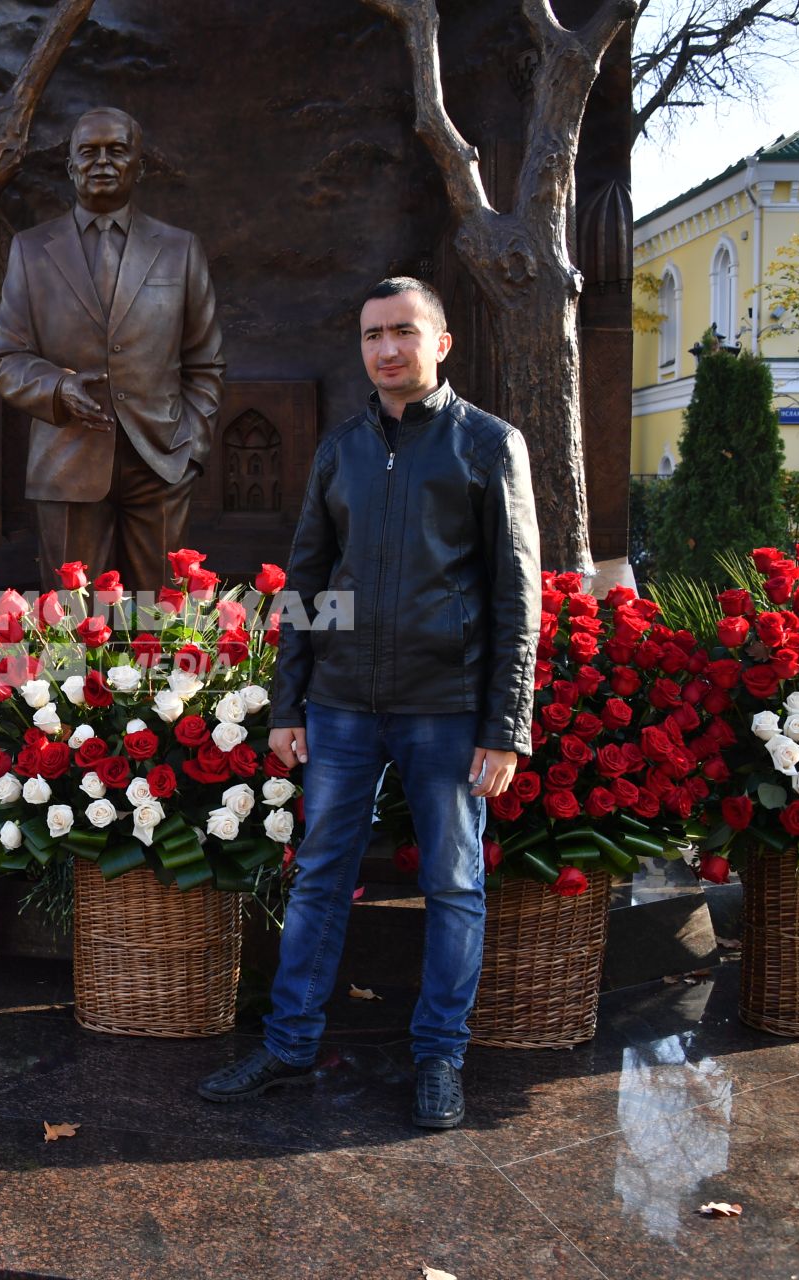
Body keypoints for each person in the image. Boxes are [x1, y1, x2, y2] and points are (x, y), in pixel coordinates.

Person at [196, 277, 539, 1129]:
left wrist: (505, 725)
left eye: (403, 332)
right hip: (343, 708)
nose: (387, 349)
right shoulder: (341, 448)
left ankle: (439, 1056)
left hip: (448, 708)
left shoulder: (488, 445)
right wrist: (288, 703)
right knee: (318, 881)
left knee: (455, 885)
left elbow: (516, 597)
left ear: (440, 343)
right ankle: (288, 1046)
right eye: (372, 335)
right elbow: (307, 581)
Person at [0, 105, 225, 594]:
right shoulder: (31, 250)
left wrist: (191, 448)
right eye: (88, 152)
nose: (102, 162)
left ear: (138, 164)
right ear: (71, 166)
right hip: (67, 461)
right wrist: (56, 387)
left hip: (162, 461)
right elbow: (5, 359)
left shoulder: (180, 249)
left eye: (116, 151)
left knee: (161, 619)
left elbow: (205, 362)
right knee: (73, 631)